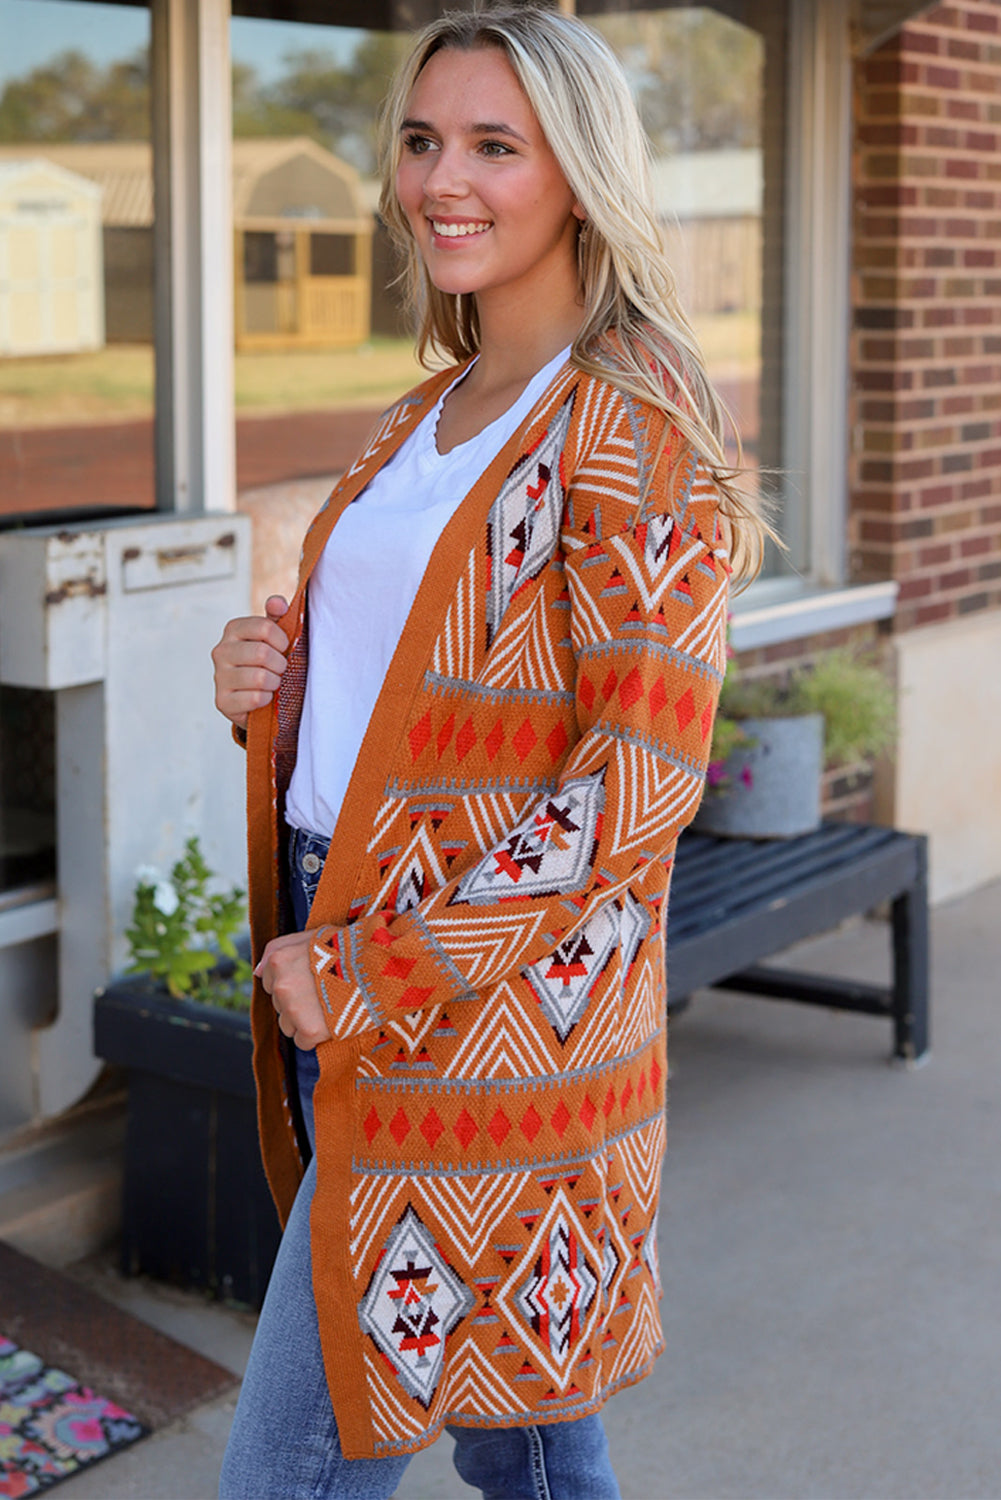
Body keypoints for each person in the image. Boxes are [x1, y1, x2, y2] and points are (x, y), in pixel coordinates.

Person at [213, 7, 767, 1497]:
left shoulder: (631, 417)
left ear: (578, 174)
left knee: (295, 1468)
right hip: (358, 951)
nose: (439, 180)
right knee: (526, 1435)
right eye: (419, 140)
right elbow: (429, 676)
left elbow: (635, 785)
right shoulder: (418, 416)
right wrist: (271, 680)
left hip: (467, 1007)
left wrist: (369, 971)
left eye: (493, 146)